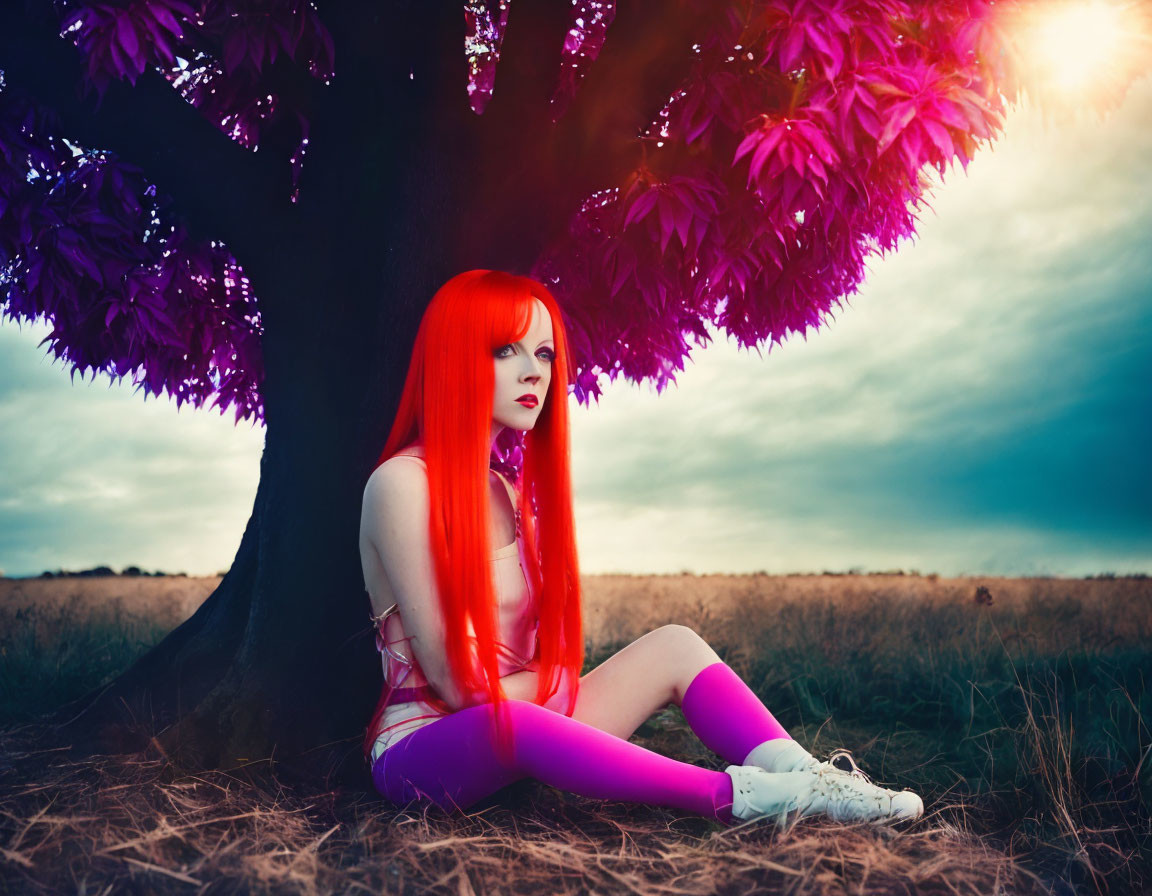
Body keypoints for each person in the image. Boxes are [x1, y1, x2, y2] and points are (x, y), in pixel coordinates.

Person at [360, 269, 925, 826]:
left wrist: (553, 683)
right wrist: (554, 682)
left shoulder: (508, 493)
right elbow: (461, 689)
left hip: (530, 725)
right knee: (516, 724)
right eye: (507, 350)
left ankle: (811, 779)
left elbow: (540, 662)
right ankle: (746, 798)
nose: (535, 372)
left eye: (546, 354)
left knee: (675, 645)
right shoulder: (401, 484)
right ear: (454, 356)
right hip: (427, 749)